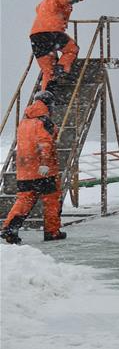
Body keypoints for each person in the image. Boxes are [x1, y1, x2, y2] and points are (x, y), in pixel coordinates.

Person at [1, 91, 67, 244]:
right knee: (52, 201)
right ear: (48, 105)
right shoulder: (44, 122)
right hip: (43, 170)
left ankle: (9, 229)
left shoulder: (23, 122)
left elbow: (27, 143)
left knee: (24, 201)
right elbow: (45, 142)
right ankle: (52, 232)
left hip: (24, 171)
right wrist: (44, 162)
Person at [30, 0, 85, 91]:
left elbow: (38, 8)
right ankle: (62, 70)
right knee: (72, 49)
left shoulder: (48, 0)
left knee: (48, 70)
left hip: (36, 36)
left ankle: (43, 100)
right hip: (51, 31)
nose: (73, 2)